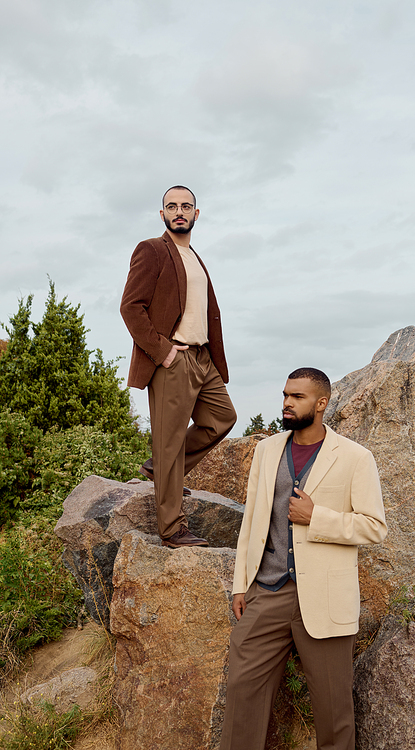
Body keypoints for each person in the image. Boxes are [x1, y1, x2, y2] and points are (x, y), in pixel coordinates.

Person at [219, 367, 387, 750]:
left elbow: (375, 527)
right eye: (285, 395)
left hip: (325, 598)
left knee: (333, 710)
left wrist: (318, 518)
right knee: (243, 690)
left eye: (297, 397)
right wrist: (241, 583)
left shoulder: (356, 457)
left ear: (321, 403)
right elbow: (253, 521)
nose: (287, 403)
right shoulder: (267, 450)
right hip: (268, 591)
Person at [120, 185, 237, 548]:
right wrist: (163, 351)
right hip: (174, 359)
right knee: (169, 441)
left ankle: (161, 469)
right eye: (172, 206)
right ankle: (172, 529)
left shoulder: (195, 257)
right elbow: (131, 307)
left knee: (222, 419)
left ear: (196, 214)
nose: (179, 211)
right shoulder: (152, 250)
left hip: (203, 358)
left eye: (186, 206)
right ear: (163, 215)